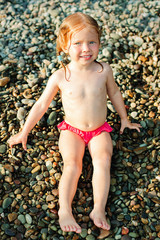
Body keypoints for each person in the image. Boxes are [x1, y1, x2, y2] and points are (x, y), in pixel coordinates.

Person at [8, 12, 141, 234]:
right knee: (72, 164)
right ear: (65, 46)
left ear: (99, 43)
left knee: (103, 160)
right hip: (72, 130)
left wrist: (125, 119)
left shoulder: (103, 70)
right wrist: (24, 132)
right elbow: (41, 105)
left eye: (92, 42)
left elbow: (115, 93)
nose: (86, 49)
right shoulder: (61, 76)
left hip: (100, 130)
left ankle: (98, 209)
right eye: (77, 43)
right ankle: (64, 210)